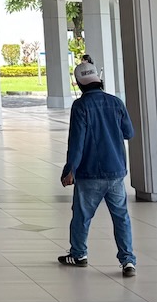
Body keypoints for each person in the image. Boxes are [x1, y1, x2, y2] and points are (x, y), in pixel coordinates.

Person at [58, 59, 137, 277]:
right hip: (116, 172)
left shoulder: (80, 106)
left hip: (89, 172)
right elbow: (129, 133)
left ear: (79, 84)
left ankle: (79, 254)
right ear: (98, 80)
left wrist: (69, 170)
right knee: (121, 216)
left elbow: (77, 142)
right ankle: (128, 261)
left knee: (82, 215)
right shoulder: (116, 102)